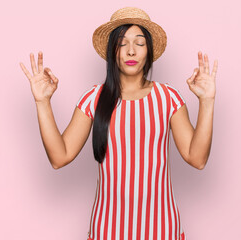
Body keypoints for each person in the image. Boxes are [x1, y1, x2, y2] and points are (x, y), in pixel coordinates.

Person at [20, 6, 217, 240]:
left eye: (140, 43)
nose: (131, 51)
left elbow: (197, 159)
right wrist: (42, 102)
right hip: (108, 230)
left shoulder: (168, 98)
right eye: (122, 43)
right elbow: (59, 157)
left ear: (149, 51)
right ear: (112, 50)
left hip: (162, 230)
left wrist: (207, 101)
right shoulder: (94, 98)